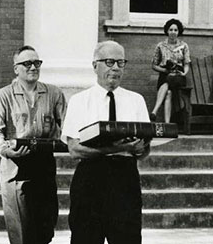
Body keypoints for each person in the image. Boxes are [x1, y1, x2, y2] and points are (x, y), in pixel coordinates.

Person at [61, 41, 150, 244]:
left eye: (120, 62)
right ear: (95, 66)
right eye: (109, 62)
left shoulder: (136, 100)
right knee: (86, 238)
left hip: (125, 179)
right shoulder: (79, 101)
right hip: (91, 177)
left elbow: (144, 151)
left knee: (127, 238)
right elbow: (74, 149)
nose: (116, 68)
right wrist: (119, 148)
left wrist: (139, 149)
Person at [0, 45, 65, 244]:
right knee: (22, 229)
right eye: (27, 63)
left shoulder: (53, 93)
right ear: (16, 69)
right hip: (15, 165)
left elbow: (67, 125)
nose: (33, 67)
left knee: (46, 225)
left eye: (37, 63)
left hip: (44, 164)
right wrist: (5, 150)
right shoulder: (4, 95)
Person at [150, 18, 190, 124]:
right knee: (168, 93)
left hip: (178, 76)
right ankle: (167, 124)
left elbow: (186, 64)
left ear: (179, 32)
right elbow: (154, 65)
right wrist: (164, 70)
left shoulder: (184, 46)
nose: (173, 32)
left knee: (169, 82)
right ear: (167, 31)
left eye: (175, 30)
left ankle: (155, 110)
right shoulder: (160, 46)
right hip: (165, 74)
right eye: (171, 29)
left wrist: (184, 73)